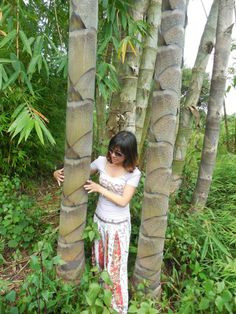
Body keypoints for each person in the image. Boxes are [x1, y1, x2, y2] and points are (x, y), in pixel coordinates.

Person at [54, 131, 141, 314]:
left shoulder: (133, 173)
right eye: (112, 150)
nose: (113, 156)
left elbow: (123, 200)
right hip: (99, 222)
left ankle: (118, 309)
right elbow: (78, 171)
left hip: (118, 226)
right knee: (100, 263)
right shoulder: (102, 161)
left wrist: (99, 188)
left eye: (119, 154)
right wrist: (58, 172)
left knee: (115, 269)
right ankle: (101, 301)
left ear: (129, 154)